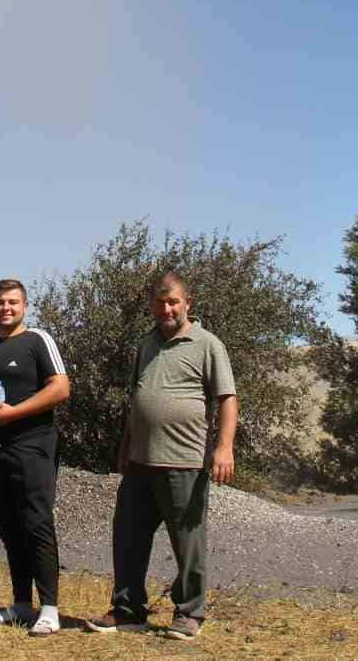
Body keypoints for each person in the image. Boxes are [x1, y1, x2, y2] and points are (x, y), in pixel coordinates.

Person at [85, 271, 237, 642]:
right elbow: (138, 399)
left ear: (188, 303)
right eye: (159, 302)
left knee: (188, 542)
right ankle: (127, 611)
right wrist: (125, 445)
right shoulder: (146, 344)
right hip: (140, 462)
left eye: (173, 302)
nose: (166, 309)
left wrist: (223, 447)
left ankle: (188, 614)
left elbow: (227, 398)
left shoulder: (207, 344)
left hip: (184, 461)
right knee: (128, 538)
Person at [0, 278, 71, 637]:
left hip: (32, 444)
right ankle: (22, 603)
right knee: (9, 526)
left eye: (12, 302)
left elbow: (60, 387)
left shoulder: (37, 340)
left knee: (36, 523)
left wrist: (14, 413)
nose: (5, 308)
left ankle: (50, 608)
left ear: (24, 305)